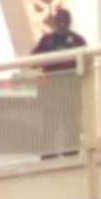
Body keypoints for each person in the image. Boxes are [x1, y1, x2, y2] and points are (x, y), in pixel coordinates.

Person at [31, 7, 87, 158]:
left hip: (60, 88)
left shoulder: (48, 41)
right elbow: (33, 62)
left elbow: (33, 62)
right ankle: (63, 154)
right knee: (58, 121)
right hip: (61, 88)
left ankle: (55, 155)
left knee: (60, 122)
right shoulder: (77, 41)